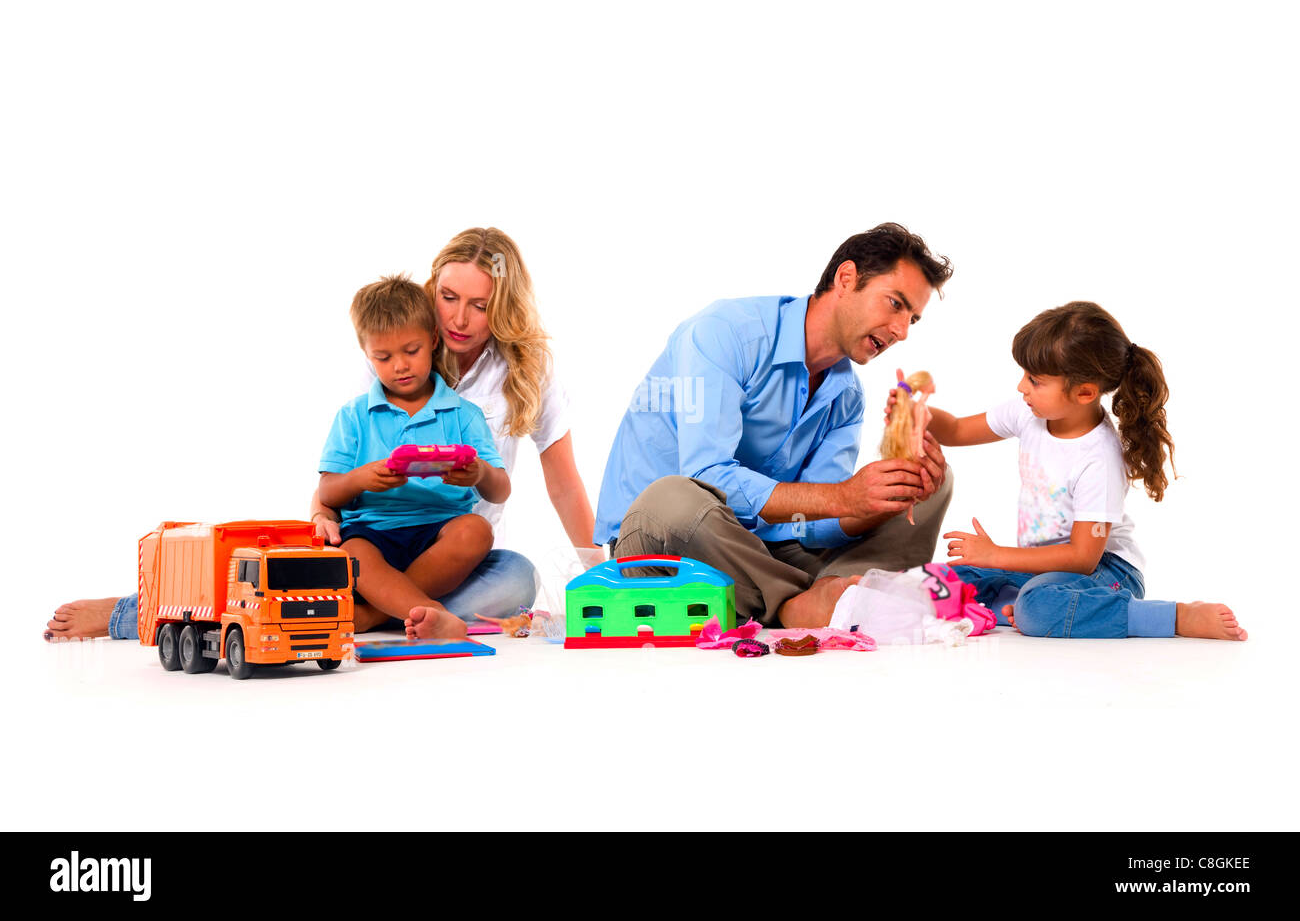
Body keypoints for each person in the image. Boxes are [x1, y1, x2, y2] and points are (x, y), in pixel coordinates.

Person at [46, 227, 596, 641]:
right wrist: (322, 515)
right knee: (276, 578)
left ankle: (369, 613)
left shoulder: (528, 372)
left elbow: (564, 484)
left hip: (450, 553)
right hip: (375, 537)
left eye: (480, 305)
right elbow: (338, 471)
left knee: (516, 577)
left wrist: (602, 574)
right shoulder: (398, 356)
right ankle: (129, 611)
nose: (460, 317)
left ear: (503, 306)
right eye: (449, 297)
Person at [594, 222, 954, 628]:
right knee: (672, 497)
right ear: (846, 278)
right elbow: (706, 473)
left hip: (764, 551)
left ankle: (820, 594)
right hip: (670, 537)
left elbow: (814, 526)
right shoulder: (723, 333)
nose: (902, 331)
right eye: (895, 303)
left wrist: (881, 497)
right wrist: (846, 497)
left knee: (932, 485)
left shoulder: (846, 395)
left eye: (913, 319)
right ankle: (794, 603)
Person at [929, 300, 1246, 640]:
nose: (1022, 387)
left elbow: (1082, 559)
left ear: (1084, 392)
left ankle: (1176, 617)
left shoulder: (1098, 458)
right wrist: (918, 414)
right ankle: (1017, 604)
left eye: (1034, 380)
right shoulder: (1030, 413)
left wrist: (996, 555)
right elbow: (958, 430)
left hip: (1106, 571)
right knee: (948, 579)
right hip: (1048, 568)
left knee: (1037, 606)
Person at [318, 274, 508, 639]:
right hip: (373, 534)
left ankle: (373, 614)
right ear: (366, 354)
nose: (400, 366)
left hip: (439, 535)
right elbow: (327, 492)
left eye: (411, 351)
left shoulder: (463, 414)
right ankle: (434, 612)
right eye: (383, 357)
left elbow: (500, 491)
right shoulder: (354, 415)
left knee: (477, 530)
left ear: (433, 341)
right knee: (350, 553)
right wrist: (362, 478)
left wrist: (479, 473)